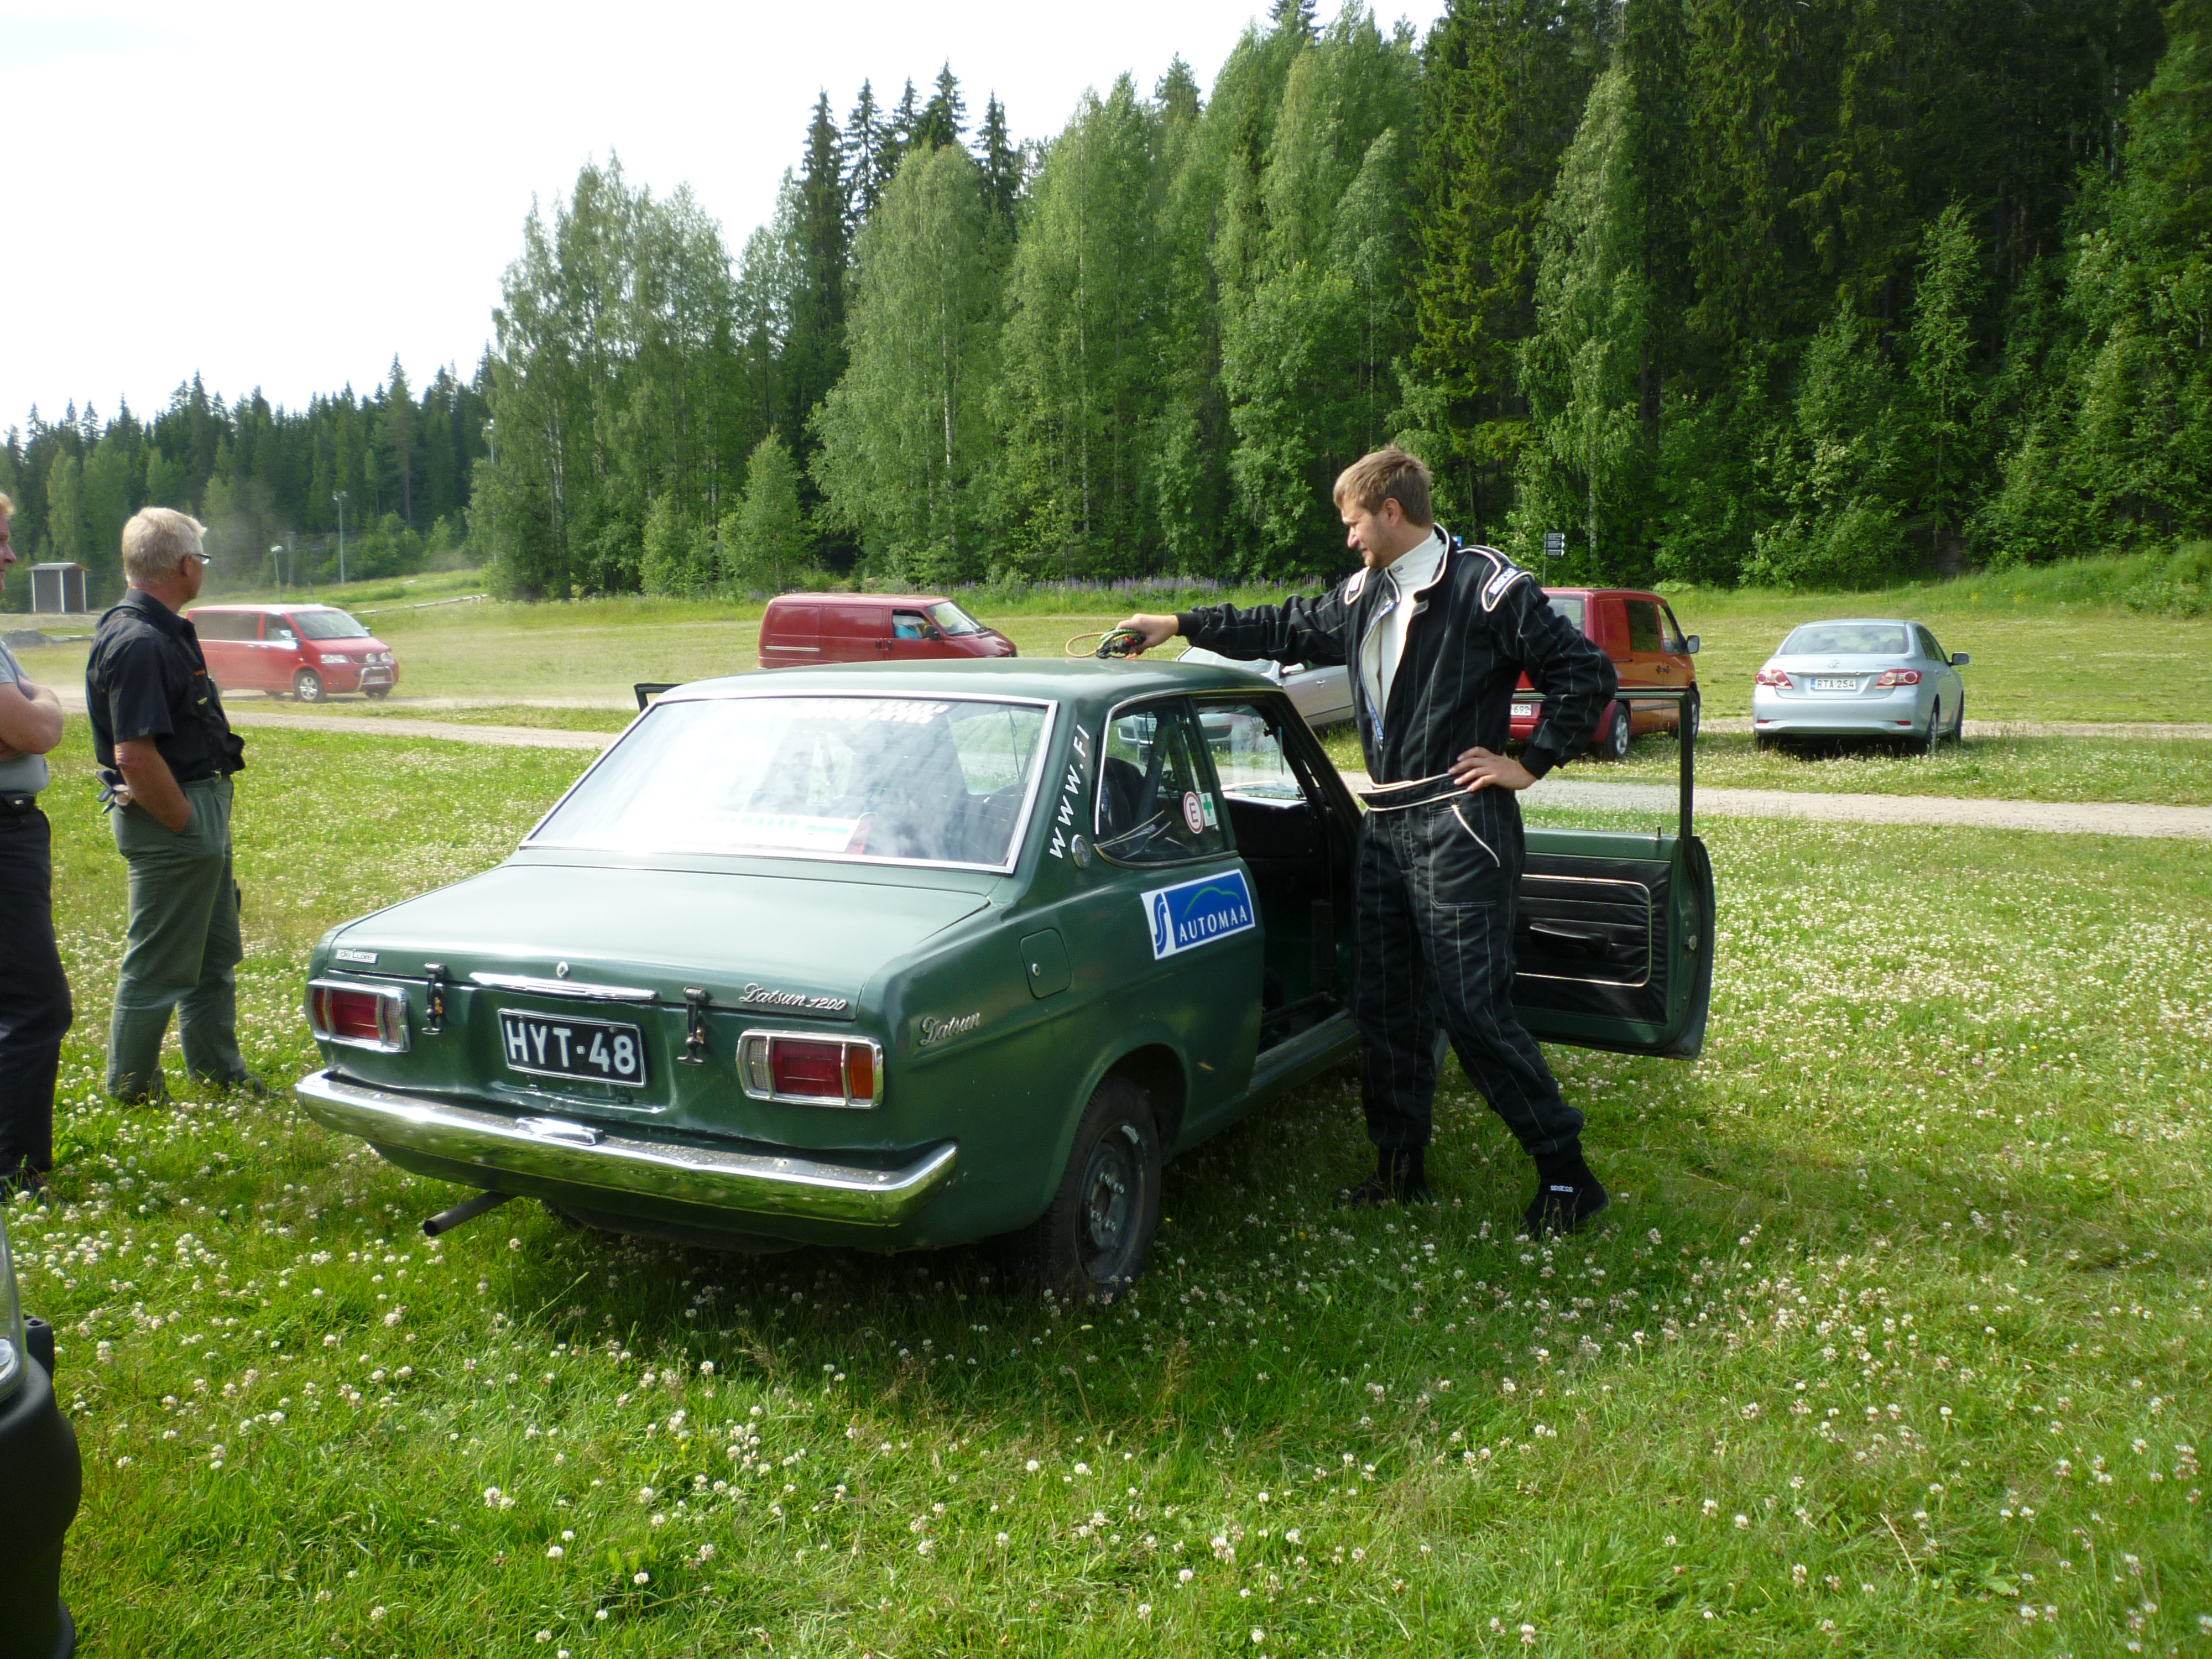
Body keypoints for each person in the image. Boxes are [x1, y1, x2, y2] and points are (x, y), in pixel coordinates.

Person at [1114, 447, 1619, 1233]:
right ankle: (1399, 1169)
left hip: (1459, 827)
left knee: (1473, 1012)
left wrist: (1529, 764)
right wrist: (1174, 623)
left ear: (1390, 511)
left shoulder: (1488, 585)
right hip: (1383, 826)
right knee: (1386, 1009)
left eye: (1352, 523)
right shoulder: (1363, 593)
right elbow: (1278, 624)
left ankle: (1566, 1175)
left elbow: (1584, 671)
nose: (1347, 539)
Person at [84, 508, 259, 1103]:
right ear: (185, 565)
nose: (202, 569)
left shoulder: (157, 631)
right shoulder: (140, 642)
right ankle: (132, 1092)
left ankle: (219, 1070)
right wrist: (186, 826)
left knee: (212, 957)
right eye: (201, 560)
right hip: (173, 818)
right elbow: (133, 755)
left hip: (192, 810)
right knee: (159, 966)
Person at [0, 492, 73, 1196]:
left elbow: (28, 712)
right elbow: (38, 729)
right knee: (35, 1004)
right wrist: (34, 708)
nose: (12, 554)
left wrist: (31, 705)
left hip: (17, 825)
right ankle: (15, 1172)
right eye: (0, 540)